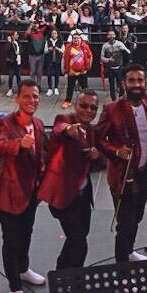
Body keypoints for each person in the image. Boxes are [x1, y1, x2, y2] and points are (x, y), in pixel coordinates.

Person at [96, 63, 147, 263]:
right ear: (123, 84)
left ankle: (129, 250)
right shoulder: (112, 109)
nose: (136, 84)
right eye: (132, 80)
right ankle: (122, 267)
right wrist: (116, 151)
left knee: (137, 215)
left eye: (140, 80)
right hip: (122, 174)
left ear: (146, 82)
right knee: (125, 223)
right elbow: (98, 139)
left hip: (143, 170)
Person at [0, 79, 46, 293]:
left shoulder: (39, 124)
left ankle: (23, 269)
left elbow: (41, 156)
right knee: (11, 240)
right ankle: (15, 286)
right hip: (9, 193)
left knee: (26, 233)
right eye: (27, 96)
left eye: (35, 96)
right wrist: (19, 144)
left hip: (31, 193)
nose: (32, 100)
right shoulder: (6, 122)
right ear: (18, 98)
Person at [38, 89, 101, 269]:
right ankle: (73, 277)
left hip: (82, 195)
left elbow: (93, 159)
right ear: (75, 105)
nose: (88, 110)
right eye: (84, 105)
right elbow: (60, 127)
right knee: (79, 242)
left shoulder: (91, 130)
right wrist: (69, 129)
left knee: (78, 237)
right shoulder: (65, 119)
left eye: (93, 107)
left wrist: (97, 154)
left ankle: (62, 272)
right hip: (63, 195)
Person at [62, 31, 92, 108]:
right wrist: (64, 69)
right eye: (74, 38)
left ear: (80, 39)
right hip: (72, 71)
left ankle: (87, 101)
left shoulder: (85, 46)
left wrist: (89, 66)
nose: (76, 39)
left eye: (78, 38)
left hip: (82, 71)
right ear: (72, 39)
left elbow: (90, 56)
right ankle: (68, 101)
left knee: (85, 88)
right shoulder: (68, 47)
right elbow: (64, 58)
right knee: (70, 87)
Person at [101, 29, 131, 101]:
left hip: (119, 67)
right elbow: (102, 57)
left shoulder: (119, 43)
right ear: (107, 36)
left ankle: (120, 98)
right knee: (111, 85)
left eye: (112, 34)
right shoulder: (105, 46)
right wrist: (108, 60)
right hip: (110, 68)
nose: (111, 36)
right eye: (110, 35)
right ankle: (113, 100)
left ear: (115, 35)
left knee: (121, 84)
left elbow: (128, 52)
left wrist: (123, 49)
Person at [44, 27, 63, 96]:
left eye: (55, 33)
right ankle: (50, 88)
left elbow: (63, 51)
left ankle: (56, 88)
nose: (53, 35)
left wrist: (57, 49)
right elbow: (45, 51)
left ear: (57, 34)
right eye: (52, 33)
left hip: (57, 60)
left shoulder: (60, 41)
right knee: (49, 74)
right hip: (49, 60)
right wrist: (49, 49)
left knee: (57, 75)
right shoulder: (48, 41)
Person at [4, 28, 22, 97]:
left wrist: (20, 52)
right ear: (12, 36)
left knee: (18, 76)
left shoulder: (18, 42)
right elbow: (7, 50)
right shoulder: (9, 43)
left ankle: (20, 90)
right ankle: (10, 89)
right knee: (11, 76)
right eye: (16, 35)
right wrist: (9, 42)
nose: (18, 36)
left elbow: (20, 49)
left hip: (18, 61)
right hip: (12, 62)